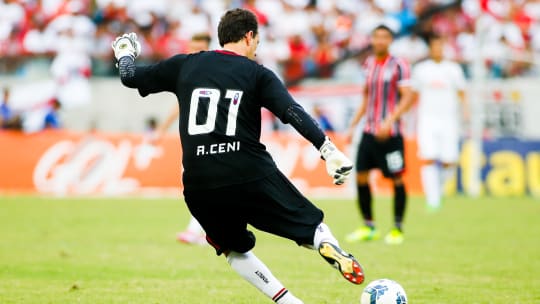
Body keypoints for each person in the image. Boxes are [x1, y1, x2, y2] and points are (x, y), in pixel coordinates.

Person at [112, 9, 364, 304]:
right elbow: (292, 112)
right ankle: (323, 243)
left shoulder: (185, 65)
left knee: (234, 249)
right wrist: (326, 149)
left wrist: (125, 53)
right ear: (249, 36)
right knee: (311, 226)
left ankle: (288, 302)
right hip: (248, 171)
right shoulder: (258, 73)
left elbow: (129, 77)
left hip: (199, 183)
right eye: (257, 39)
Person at [345, 25, 414, 245]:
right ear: (372, 40)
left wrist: (390, 120)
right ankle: (368, 226)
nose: (380, 41)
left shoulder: (399, 65)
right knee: (361, 176)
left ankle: (397, 228)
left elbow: (407, 97)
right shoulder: (368, 64)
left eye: (385, 37)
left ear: (390, 40)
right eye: (377, 37)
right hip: (369, 131)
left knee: (397, 177)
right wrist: (353, 125)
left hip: (391, 134)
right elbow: (367, 98)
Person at [154, 33, 212, 245]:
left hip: (214, 138)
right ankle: (207, 232)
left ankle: (197, 231)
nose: (194, 52)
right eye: (192, 48)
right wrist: (161, 129)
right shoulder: (188, 74)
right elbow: (179, 105)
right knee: (202, 187)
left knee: (201, 186)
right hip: (195, 140)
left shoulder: (215, 72)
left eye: (199, 48)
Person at [411, 34, 468, 211]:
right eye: (434, 47)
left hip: (449, 119)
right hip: (427, 119)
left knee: (449, 161)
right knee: (428, 158)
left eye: (440, 46)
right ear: (430, 49)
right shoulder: (421, 69)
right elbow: (413, 94)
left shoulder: (453, 69)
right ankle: (432, 200)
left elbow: (462, 93)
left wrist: (466, 114)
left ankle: (439, 191)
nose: (437, 50)